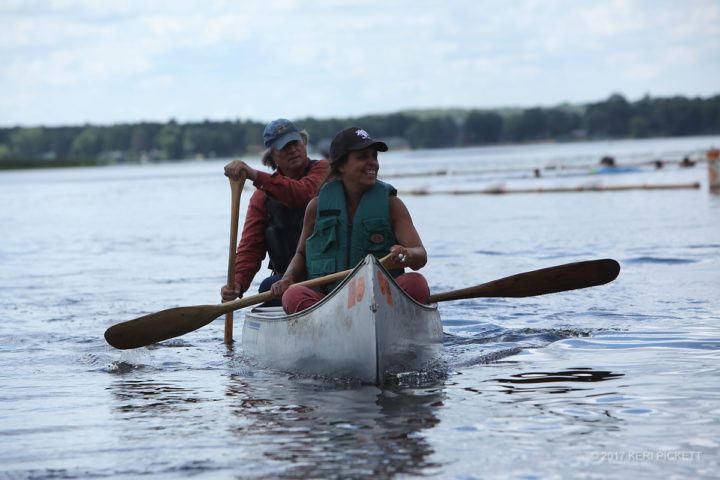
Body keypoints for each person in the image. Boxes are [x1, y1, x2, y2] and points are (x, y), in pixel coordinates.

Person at [270, 126, 430, 314]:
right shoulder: (316, 207)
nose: (373, 163)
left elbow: (421, 255)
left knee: (416, 283)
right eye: (363, 157)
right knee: (292, 295)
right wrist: (288, 278)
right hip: (328, 301)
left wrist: (408, 254)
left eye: (374, 156)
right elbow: (301, 255)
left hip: (380, 298)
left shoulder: (392, 205)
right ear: (341, 165)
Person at [220, 118, 330, 305]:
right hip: (287, 282)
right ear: (272, 156)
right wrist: (237, 282)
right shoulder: (261, 197)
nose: (293, 150)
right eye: (284, 146)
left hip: (328, 275)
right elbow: (251, 248)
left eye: (295, 142)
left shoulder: (324, 170)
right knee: (267, 287)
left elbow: (303, 194)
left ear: (304, 142)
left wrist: (253, 175)